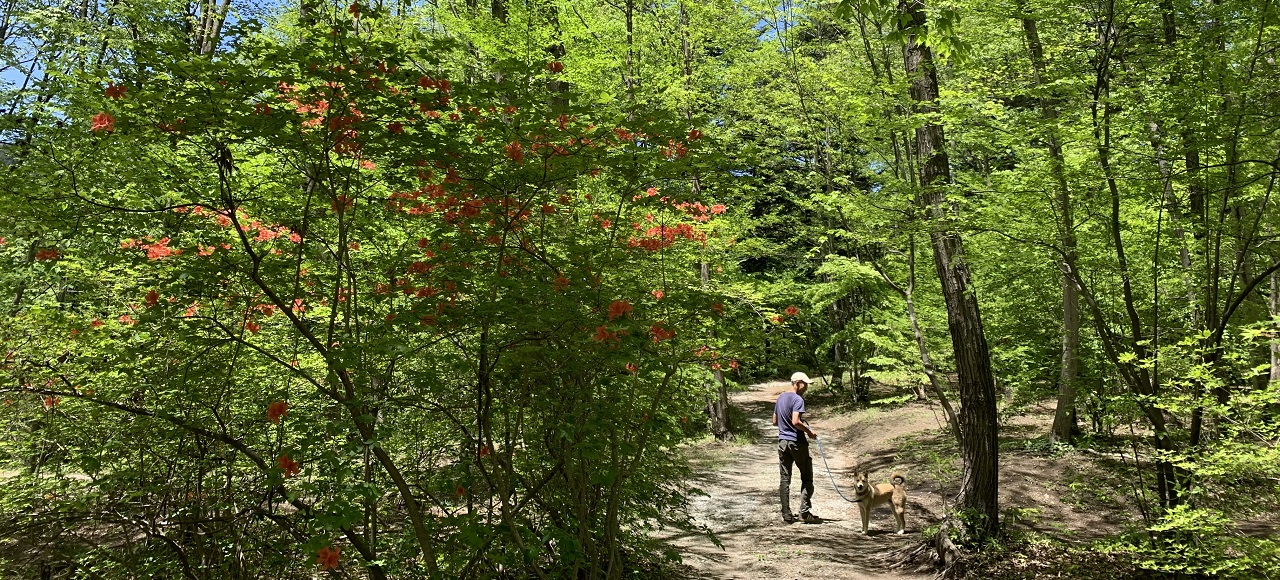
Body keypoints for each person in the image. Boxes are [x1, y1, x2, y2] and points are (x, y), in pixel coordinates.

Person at [774, 371, 819, 523]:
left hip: (782, 442)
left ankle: (786, 515)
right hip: (797, 442)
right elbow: (795, 422)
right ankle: (804, 513)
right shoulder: (798, 399)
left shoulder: (780, 398)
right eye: (805, 384)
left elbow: (774, 421)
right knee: (807, 477)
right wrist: (809, 432)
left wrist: (784, 425)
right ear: (798, 383)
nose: (806, 387)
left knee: (784, 479)